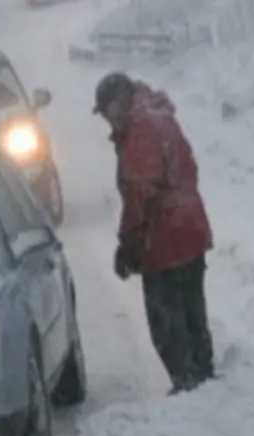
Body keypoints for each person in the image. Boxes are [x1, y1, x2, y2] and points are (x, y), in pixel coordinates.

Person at [93, 71, 215, 394]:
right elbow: (189, 168)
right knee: (192, 308)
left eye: (107, 111)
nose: (106, 119)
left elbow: (139, 192)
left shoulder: (140, 130)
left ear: (120, 102)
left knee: (165, 318)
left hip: (165, 239)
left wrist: (128, 244)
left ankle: (187, 381)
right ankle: (203, 374)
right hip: (191, 226)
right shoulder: (161, 118)